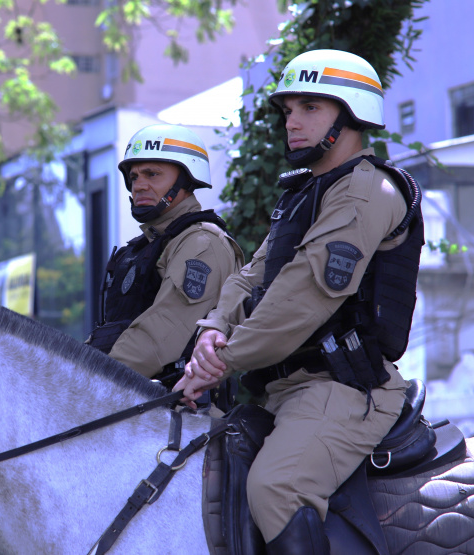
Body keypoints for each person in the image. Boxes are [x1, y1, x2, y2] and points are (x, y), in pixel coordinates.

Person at [175, 49, 423, 553]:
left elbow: (300, 298)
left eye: (310, 107)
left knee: (277, 488)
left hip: (345, 391)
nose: (292, 122)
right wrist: (214, 327)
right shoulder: (305, 194)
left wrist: (219, 363)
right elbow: (251, 276)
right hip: (284, 390)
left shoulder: (366, 191)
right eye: (288, 110)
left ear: (350, 115)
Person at [87, 123, 243, 382]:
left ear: (185, 178)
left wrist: (88, 382)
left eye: (152, 174)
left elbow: (162, 336)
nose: (139, 185)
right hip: (127, 401)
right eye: (134, 177)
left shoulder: (201, 243)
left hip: (180, 411)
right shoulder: (144, 246)